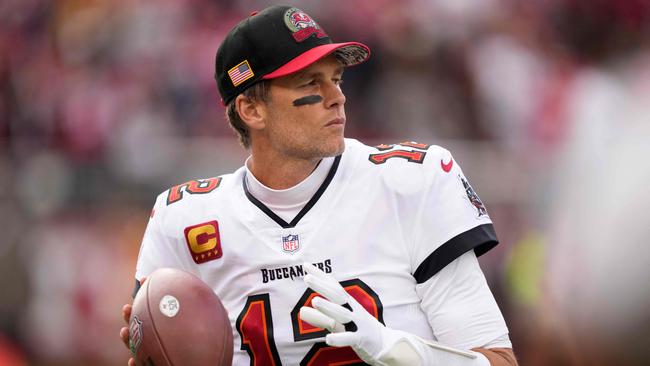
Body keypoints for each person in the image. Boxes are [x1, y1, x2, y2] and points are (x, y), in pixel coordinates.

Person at [120, 5, 518, 366]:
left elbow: (498, 360)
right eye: (311, 83)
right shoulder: (184, 219)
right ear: (251, 109)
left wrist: (395, 350)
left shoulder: (412, 182)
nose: (337, 97)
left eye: (336, 78)